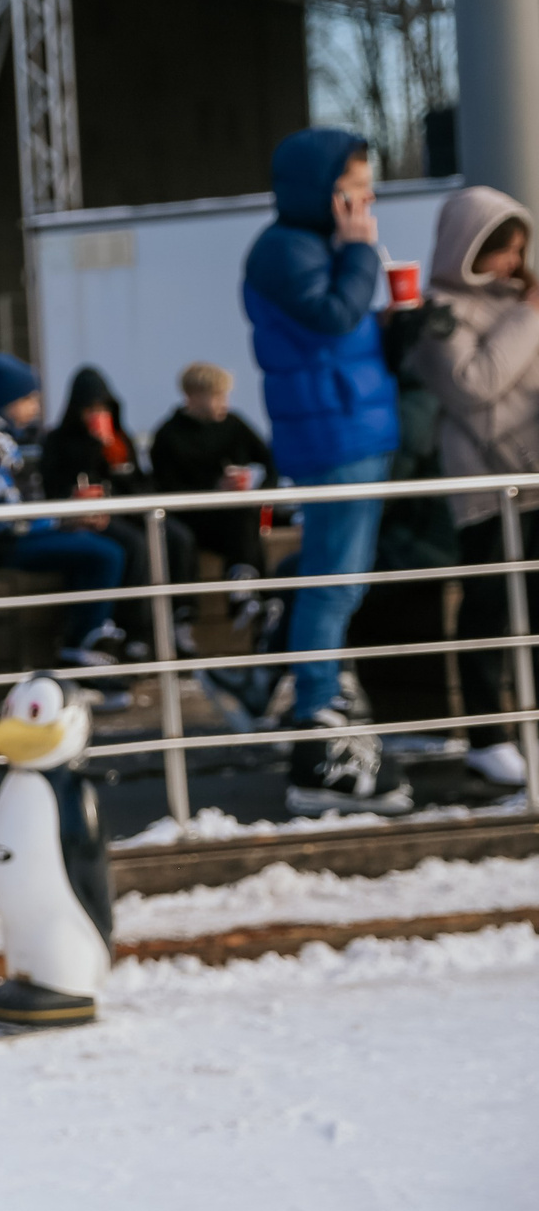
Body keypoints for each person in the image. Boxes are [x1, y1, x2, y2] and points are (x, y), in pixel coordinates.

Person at [241, 128, 407, 812]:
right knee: (334, 584)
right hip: (334, 438)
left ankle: (315, 692)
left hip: (348, 430)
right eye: (356, 190)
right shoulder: (285, 251)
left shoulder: (308, 247)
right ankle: (318, 710)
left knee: (339, 579)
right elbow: (335, 319)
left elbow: (346, 333)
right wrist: (362, 249)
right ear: (324, 192)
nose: (366, 202)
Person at [407, 184, 539, 790]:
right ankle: (488, 734)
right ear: (468, 247)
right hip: (487, 490)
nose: (512, 264)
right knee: (488, 611)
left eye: (519, 251)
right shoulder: (440, 311)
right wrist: (529, 317)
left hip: (531, 478)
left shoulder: (516, 302)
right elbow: (475, 388)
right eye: (501, 251)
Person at [0, 353, 130, 674]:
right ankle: (81, 648)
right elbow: (5, 517)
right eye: (30, 399)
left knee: (94, 546)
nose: (36, 408)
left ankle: (83, 641)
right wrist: (62, 520)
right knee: (106, 554)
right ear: (9, 398)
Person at [38, 367, 198, 653]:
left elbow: (141, 482)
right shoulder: (60, 440)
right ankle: (136, 632)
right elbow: (56, 486)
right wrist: (93, 448)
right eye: (90, 408)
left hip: (130, 509)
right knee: (135, 546)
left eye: (102, 408)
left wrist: (117, 460)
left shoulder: (121, 439)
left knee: (178, 537)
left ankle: (179, 619)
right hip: (91, 518)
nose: (96, 415)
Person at [148, 362, 271, 590]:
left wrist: (261, 490)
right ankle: (244, 587)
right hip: (192, 519)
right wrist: (215, 488)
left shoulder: (234, 424)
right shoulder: (168, 435)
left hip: (233, 517)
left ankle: (248, 587)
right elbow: (166, 488)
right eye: (217, 396)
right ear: (193, 396)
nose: (224, 402)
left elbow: (269, 460)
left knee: (246, 513)